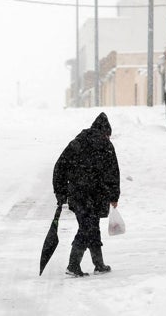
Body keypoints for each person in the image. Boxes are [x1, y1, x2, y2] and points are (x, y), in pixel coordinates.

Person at [52, 112, 120, 277]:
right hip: (95, 195)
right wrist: (113, 195)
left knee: (91, 227)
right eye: (107, 135)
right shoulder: (106, 146)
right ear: (105, 133)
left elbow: (59, 168)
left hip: (79, 194)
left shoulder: (77, 143)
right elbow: (113, 173)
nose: (108, 138)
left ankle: (99, 264)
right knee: (87, 228)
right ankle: (73, 265)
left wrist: (61, 192)